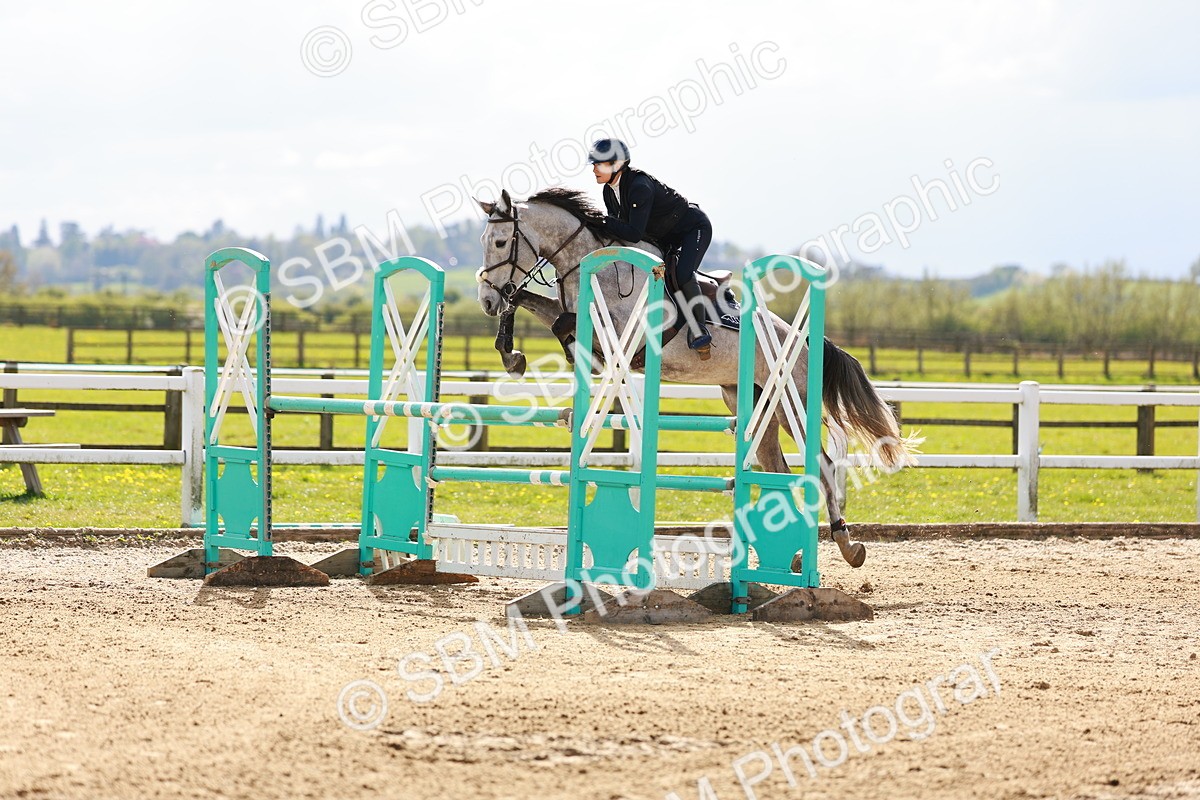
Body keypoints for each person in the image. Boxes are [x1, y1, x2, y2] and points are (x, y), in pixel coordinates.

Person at [588, 138, 713, 351]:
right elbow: (617, 229)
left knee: (682, 274)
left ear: (617, 165)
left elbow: (634, 233)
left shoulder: (639, 186)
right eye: (593, 165)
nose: (593, 170)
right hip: (664, 236)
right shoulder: (608, 191)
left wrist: (602, 221)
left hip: (693, 229)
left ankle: (699, 328)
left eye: (598, 164)